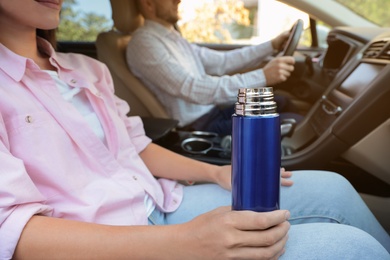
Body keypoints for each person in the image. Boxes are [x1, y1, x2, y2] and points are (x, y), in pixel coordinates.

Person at [1, 0, 389, 259]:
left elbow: (134, 146)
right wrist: (184, 242)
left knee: (335, 186)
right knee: (353, 248)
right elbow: (11, 231)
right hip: (112, 242)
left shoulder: (85, 70)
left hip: (159, 202)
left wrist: (217, 172)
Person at [126, 0, 303, 136]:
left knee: (280, 101)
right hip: (199, 126)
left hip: (213, 111)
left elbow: (222, 62)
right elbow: (193, 88)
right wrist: (263, 76)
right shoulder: (144, 43)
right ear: (148, 3)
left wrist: (271, 45)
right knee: (289, 122)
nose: (178, 0)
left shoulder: (172, 38)